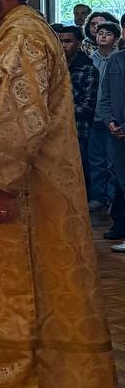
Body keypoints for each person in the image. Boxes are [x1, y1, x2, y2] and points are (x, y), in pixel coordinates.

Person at [0, 0, 118, 388]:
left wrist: (0, 183)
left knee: (24, 281)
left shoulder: (25, 36)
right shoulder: (15, 32)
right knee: (27, 280)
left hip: (26, 190)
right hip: (28, 185)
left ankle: (31, 383)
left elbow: (21, 116)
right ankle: (23, 380)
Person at [58, 25, 98, 191]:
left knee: (79, 169)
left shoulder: (88, 68)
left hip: (79, 128)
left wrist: (61, 110)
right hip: (55, 128)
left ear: (79, 43)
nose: (63, 45)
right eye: (60, 41)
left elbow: (88, 105)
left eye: (68, 41)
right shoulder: (55, 67)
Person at [88, 19, 120, 212]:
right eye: (100, 33)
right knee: (95, 160)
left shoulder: (118, 59)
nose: (103, 36)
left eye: (108, 34)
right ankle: (98, 196)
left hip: (112, 118)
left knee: (112, 161)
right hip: (94, 116)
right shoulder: (91, 58)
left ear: (115, 39)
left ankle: (112, 198)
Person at [99, 39, 125, 246]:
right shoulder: (116, 59)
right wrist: (109, 121)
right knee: (120, 181)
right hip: (116, 134)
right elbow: (105, 96)